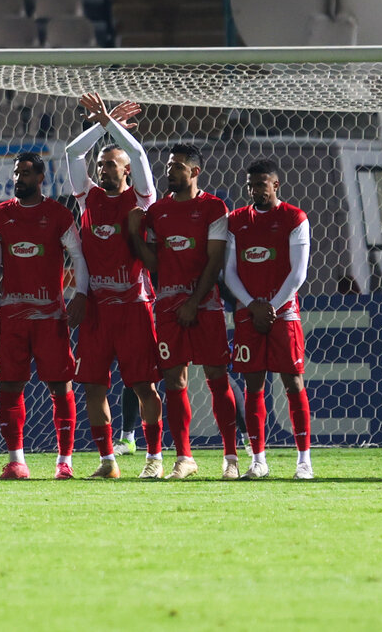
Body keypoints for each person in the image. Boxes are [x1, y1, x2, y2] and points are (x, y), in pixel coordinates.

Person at [65, 93, 164, 480]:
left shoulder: (141, 198)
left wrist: (113, 126)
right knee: (91, 387)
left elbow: (139, 155)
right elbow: (73, 154)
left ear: (125, 173)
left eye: (112, 165)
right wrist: (100, 125)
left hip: (134, 306)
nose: (104, 169)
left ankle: (154, 456)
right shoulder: (86, 197)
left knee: (143, 385)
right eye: (102, 164)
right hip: (96, 309)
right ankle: (108, 462)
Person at [0, 152, 89, 479]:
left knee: (60, 386)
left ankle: (64, 461)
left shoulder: (57, 214)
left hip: (51, 315)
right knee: (10, 385)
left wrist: (80, 295)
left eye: (26, 173)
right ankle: (16, 461)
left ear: (41, 178)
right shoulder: (0, 214)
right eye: (16, 173)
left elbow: (78, 256)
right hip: (11, 315)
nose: (19, 178)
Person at [130, 143, 238, 480]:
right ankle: (184, 457)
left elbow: (215, 259)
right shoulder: (158, 212)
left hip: (204, 306)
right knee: (173, 381)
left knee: (217, 378)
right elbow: (153, 263)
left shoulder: (214, 207)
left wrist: (194, 301)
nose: (170, 171)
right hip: (168, 307)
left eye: (177, 166)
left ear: (195, 171)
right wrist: (135, 235)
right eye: (168, 165)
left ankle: (231, 457)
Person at [224, 159, 313, 480]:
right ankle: (258, 460)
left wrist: (271, 306)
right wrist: (251, 305)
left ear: (276, 185)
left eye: (261, 184)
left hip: (283, 312)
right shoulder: (236, 220)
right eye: (251, 185)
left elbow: (298, 273)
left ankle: (304, 461)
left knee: (293, 382)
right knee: (253, 385)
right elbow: (229, 272)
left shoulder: (294, 218)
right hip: (250, 314)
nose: (255, 190)